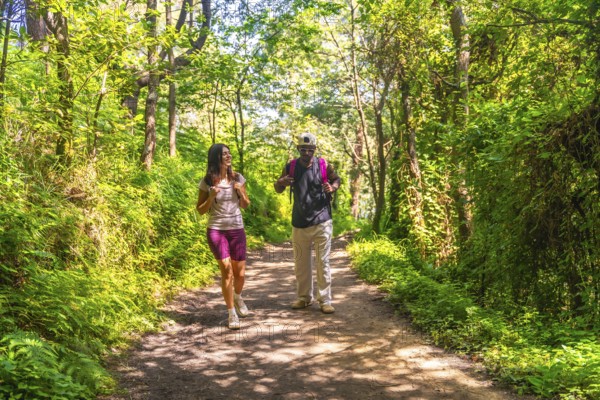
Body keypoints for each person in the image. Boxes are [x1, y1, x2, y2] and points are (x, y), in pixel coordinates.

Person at [274, 132, 341, 314]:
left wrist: (332, 187)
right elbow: (278, 188)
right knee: (301, 263)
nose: (306, 153)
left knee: (323, 262)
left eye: (309, 149)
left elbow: (336, 179)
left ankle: (325, 300)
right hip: (299, 221)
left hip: (322, 220)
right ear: (298, 149)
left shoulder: (324, 165)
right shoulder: (291, 166)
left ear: (314, 150)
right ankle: (304, 298)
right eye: (303, 149)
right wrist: (281, 182)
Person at [196, 144, 251, 330]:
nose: (228, 156)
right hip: (216, 230)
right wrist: (210, 197)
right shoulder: (207, 181)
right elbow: (201, 210)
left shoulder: (238, 178)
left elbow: (245, 205)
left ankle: (237, 297)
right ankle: (231, 313)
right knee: (226, 270)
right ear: (216, 158)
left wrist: (241, 192)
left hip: (237, 229)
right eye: (224, 154)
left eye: (229, 153)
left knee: (240, 274)